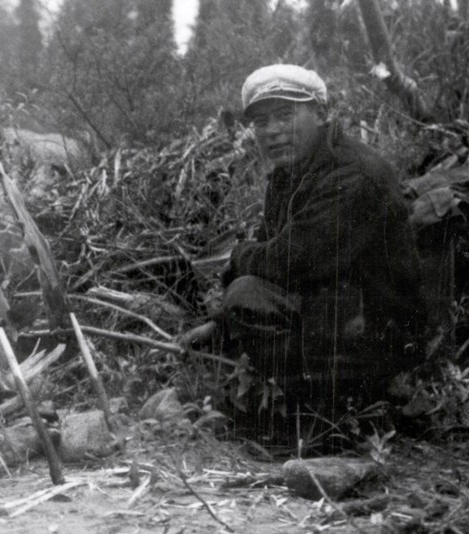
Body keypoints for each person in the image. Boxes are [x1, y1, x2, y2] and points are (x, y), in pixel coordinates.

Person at [182, 65, 430, 430]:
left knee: (247, 295)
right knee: (245, 299)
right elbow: (275, 258)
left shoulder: (353, 175)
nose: (273, 131)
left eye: (285, 115)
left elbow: (288, 263)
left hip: (382, 332)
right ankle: (311, 406)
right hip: (337, 315)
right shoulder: (291, 174)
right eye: (262, 121)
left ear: (321, 114)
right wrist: (219, 325)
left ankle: (327, 418)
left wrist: (238, 256)